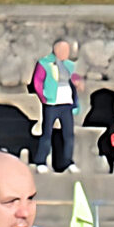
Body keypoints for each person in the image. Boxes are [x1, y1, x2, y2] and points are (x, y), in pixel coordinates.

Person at [30, 40, 77, 174]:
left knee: (68, 135)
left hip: (66, 103)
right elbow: (37, 81)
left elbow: (75, 79)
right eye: (64, 50)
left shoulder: (70, 65)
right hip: (51, 104)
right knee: (47, 133)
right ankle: (41, 161)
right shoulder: (44, 63)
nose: (67, 53)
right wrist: (44, 97)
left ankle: (68, 162)